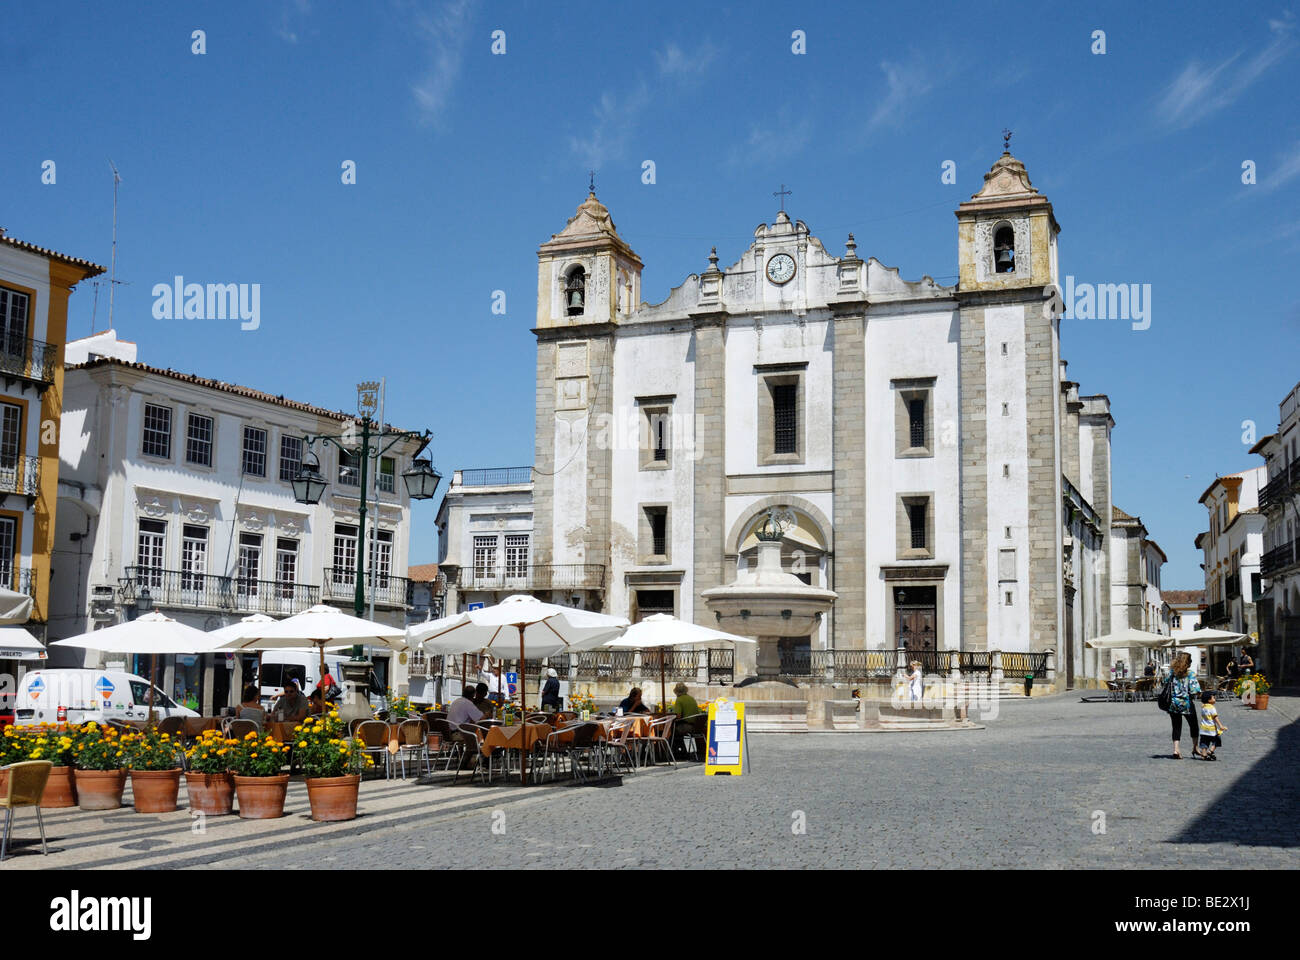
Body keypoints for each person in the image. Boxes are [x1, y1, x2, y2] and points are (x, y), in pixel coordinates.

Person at [1161, 651, 1201, 759]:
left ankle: (1176, 750)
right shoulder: (1190, 674)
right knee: (1194, 725)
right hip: (1186, 703)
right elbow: (1194, 690)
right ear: (1187, 662)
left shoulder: (1172, 673)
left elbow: (1165, 683)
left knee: (1176, 726)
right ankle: (1195, 748)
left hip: (1173, 703)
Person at [1196, 690, 1226, 760]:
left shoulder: (1203, 707)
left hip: (1203, 729)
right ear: (1209, 700)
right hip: (1211, 729)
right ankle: (1210, 751)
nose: (1215, 699)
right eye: (1213, 698)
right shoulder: (1212, 708)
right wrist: (1220, 726)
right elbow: (1215, 717)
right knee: (1217, 739)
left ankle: (1204, 754)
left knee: (1204, 741)